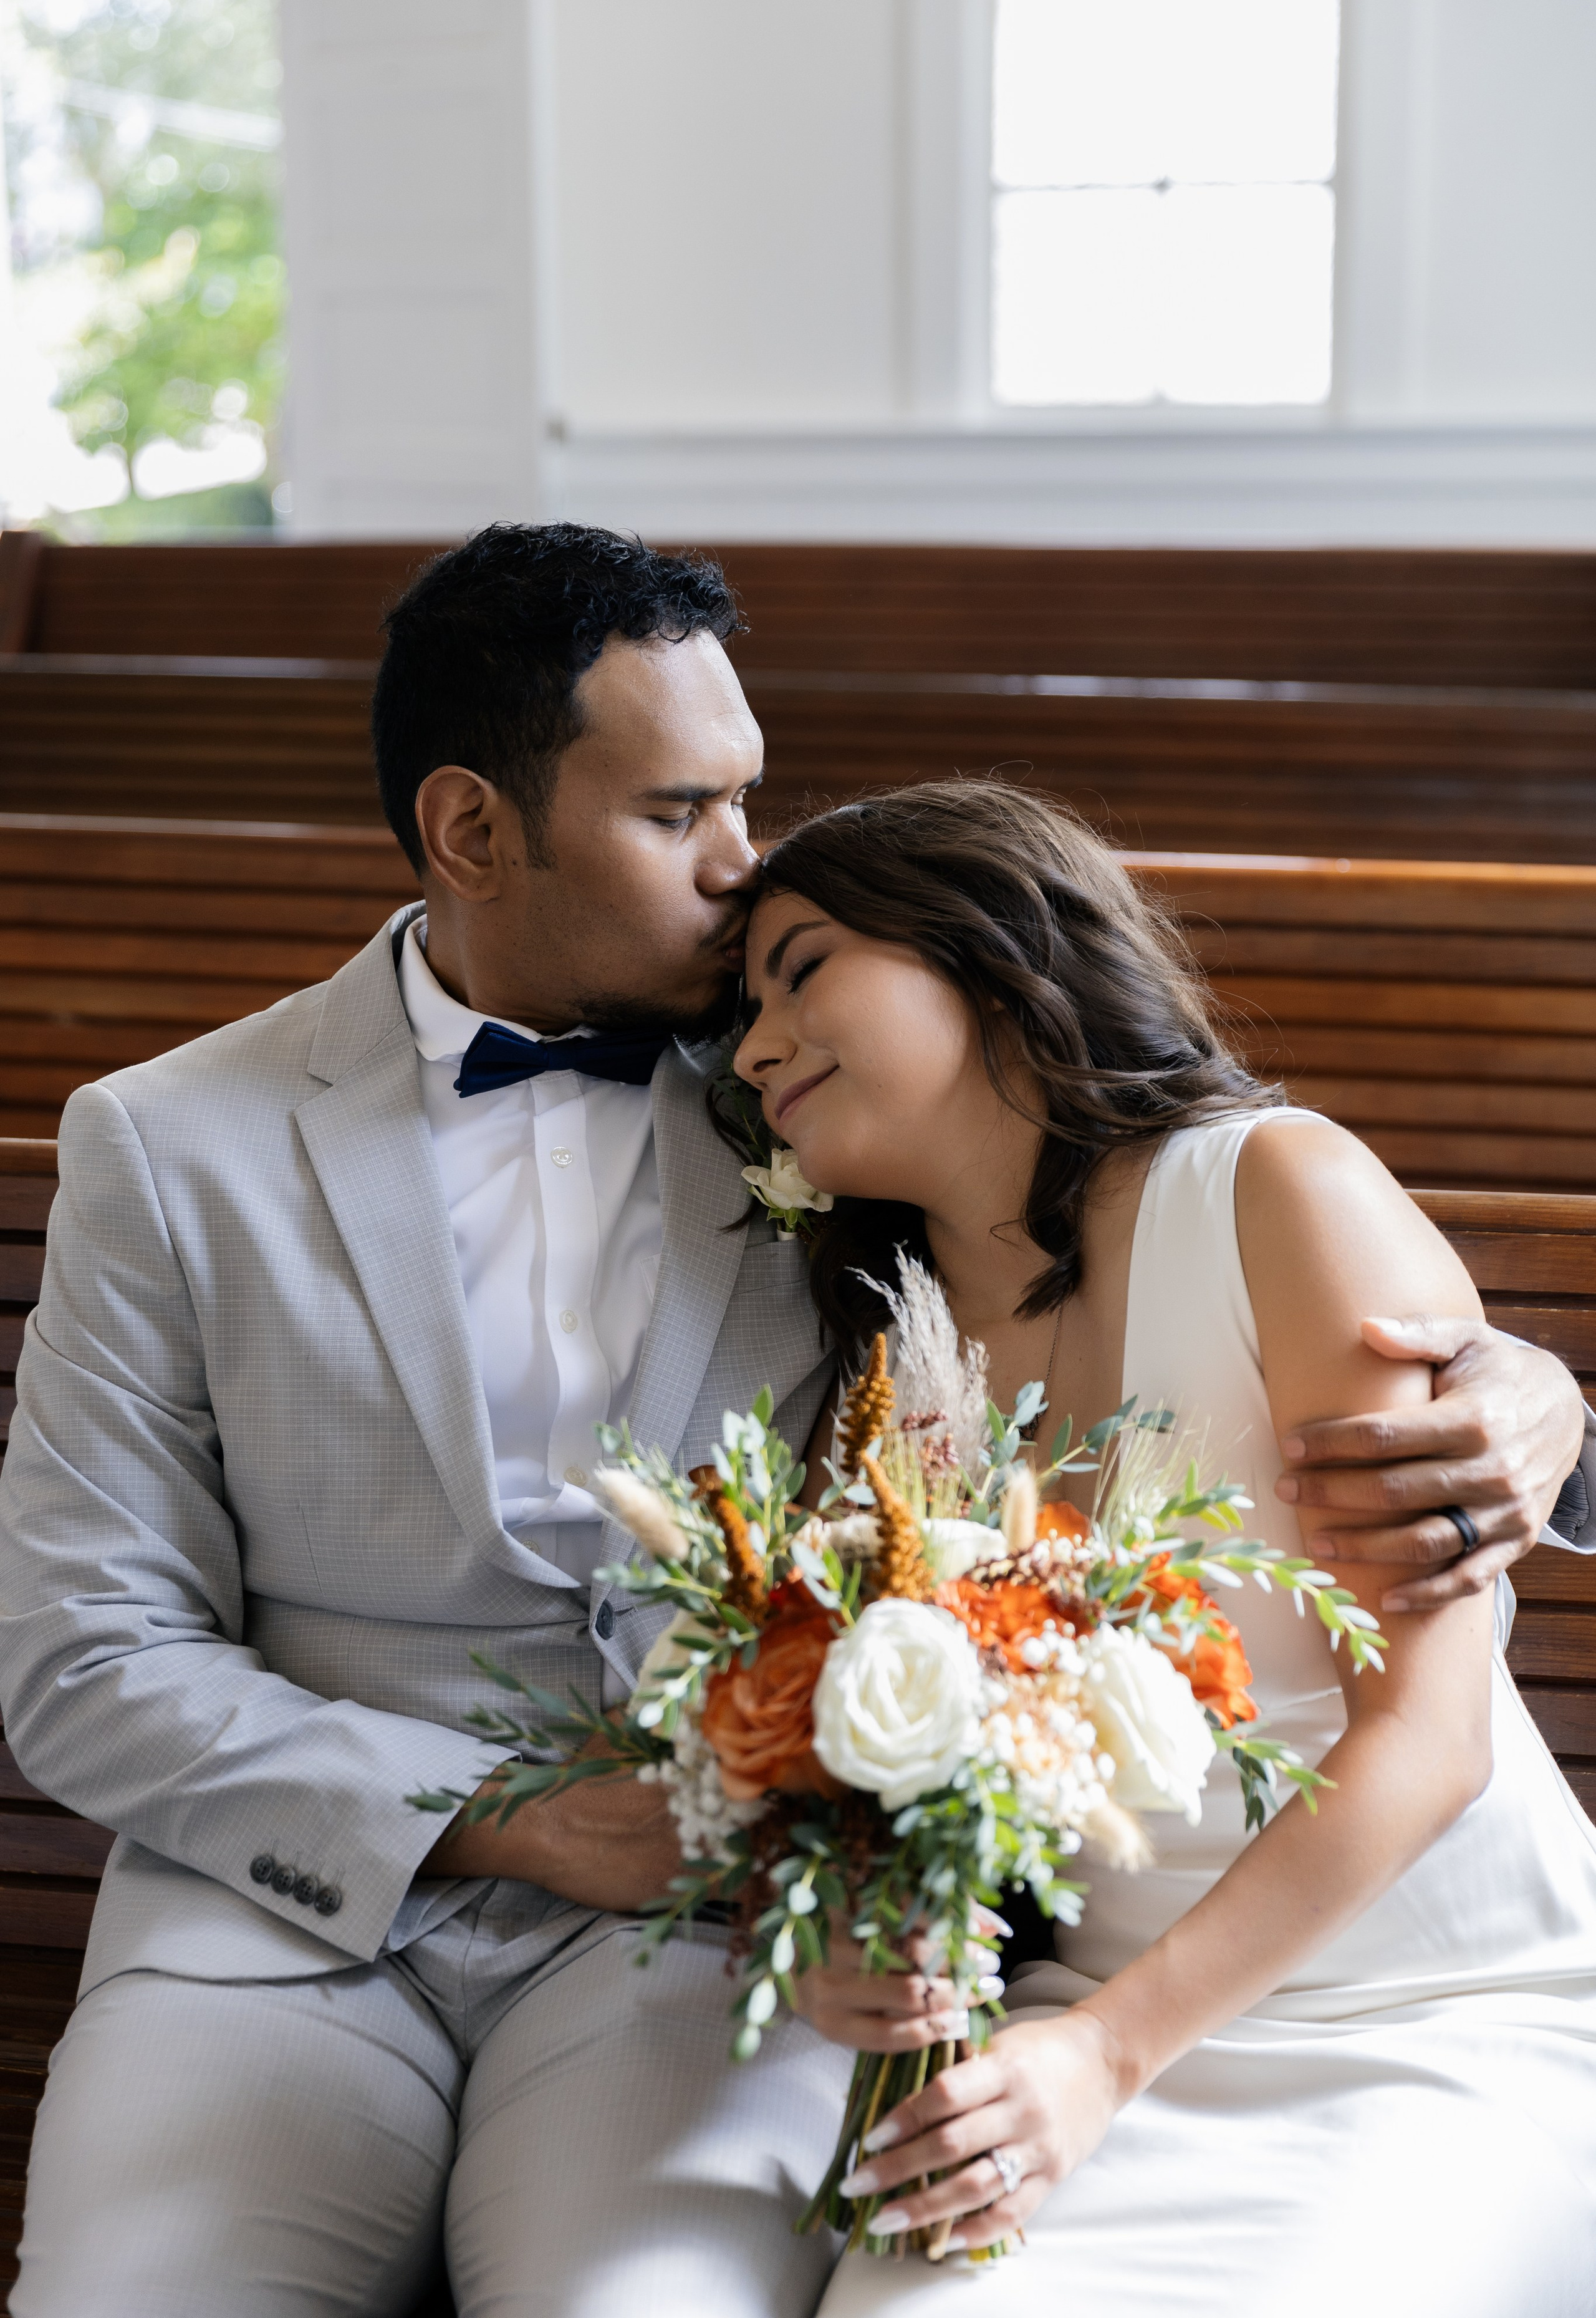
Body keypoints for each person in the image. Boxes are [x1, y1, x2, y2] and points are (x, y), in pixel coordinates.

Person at [0, 528, 1584, 2318]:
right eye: (682, 813)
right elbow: (82, 1657)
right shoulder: (173, 1142)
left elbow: (1203, 1242)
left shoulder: (844, 1148)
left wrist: (1532, 1399)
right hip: (278, 1932)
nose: (744, 870)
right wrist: (518, 1819)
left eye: (751, 811)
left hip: (708, 1956)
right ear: (471, 833)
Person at [729, 778, 1596, 2318]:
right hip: (1077, 2019)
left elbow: (1434, 1737)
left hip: (1428, 2010)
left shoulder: (1274, 1188)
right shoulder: (874, 1352)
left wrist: (1107, 2053)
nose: (751, 1045)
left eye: (801, 968)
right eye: (742, 1009)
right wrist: (843, 1943)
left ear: (989, 945)